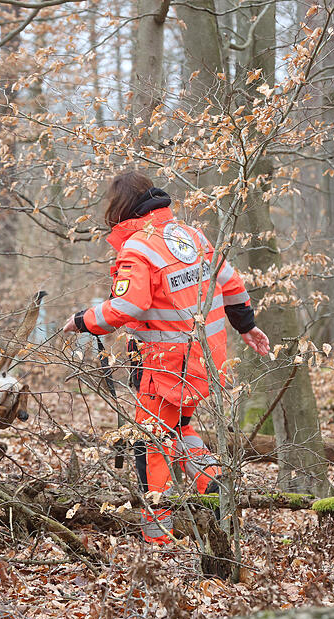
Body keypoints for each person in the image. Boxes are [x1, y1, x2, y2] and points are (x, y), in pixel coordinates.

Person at [62, 171, 269, 545]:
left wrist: (83, 321)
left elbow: (128, 304)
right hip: (204, 359)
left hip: (163, 367)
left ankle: (158, 538)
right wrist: (247, 326)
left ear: (121, 208)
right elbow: (232, 281)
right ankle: (217, 489)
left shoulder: (138, 249)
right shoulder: (189, 235)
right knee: (181, 429)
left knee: (152, 442)